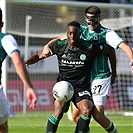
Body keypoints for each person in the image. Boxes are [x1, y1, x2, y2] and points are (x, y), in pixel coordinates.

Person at [42, 5, 133, 133]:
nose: (91, 23)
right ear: (85, 18)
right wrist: (47, 45)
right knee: (76, 116)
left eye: (94, 19)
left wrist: (131, 61)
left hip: (100, 77)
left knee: (97, 115)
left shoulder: (107, 33)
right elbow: (61, 38)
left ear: (99, 18)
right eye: (89, 19)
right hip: (84, 79)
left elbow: (125, 47)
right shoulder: (81, 31)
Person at [25, 21, 105, 133]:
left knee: (87, 110)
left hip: (81, 86)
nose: (72, 36)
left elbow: (108, 50)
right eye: (69, 33)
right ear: (67, 33)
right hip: (63, 86)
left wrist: (113, 71)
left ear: (79, 33)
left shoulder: (89, 47)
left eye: (75, 33)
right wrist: (26, 63)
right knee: (58, 111)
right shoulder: (59, 46)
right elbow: (40, 56)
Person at [0, 9, 37, 133]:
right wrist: (29, 87)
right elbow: (17, 61)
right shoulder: (5, 38)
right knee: (3, 127)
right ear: (2, 24)